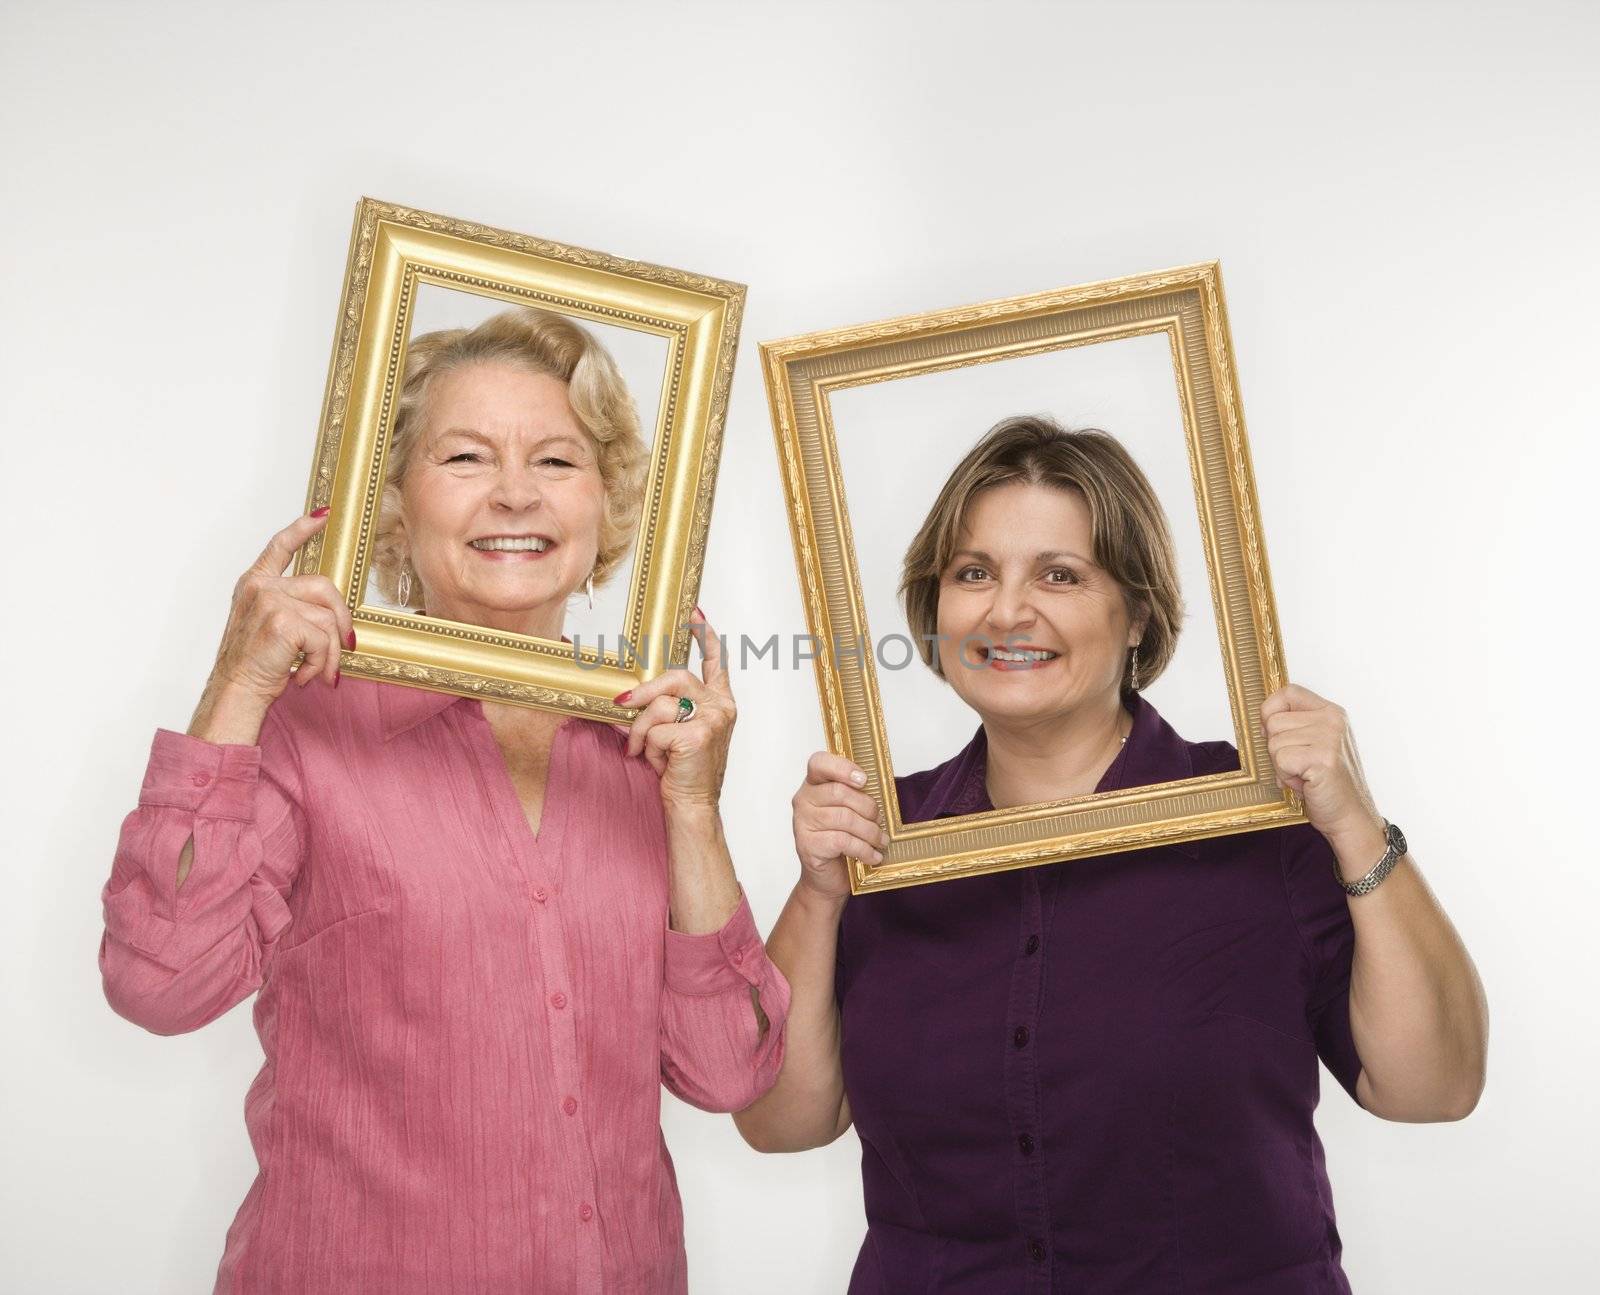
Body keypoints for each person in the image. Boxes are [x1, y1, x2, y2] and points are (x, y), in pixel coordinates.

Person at [99, 306, 790, 1293]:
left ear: (607, 505)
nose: (516, 493)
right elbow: (159, 985)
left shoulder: (647, 750)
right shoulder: (304, 728)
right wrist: (238, 688)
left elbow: (730, 1071)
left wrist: (693, 810)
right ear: (392, 502)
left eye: (556, 460)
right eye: (465, 456)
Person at [734, 415, 1487, 1293]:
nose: (1008, 610)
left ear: (1136, 614)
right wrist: (820, 891)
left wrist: (1356, 822)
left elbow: (1435, 1087)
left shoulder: (1261, 819)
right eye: (974, 572)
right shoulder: (879, 836)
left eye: (1060, 574)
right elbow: (781, 1122)